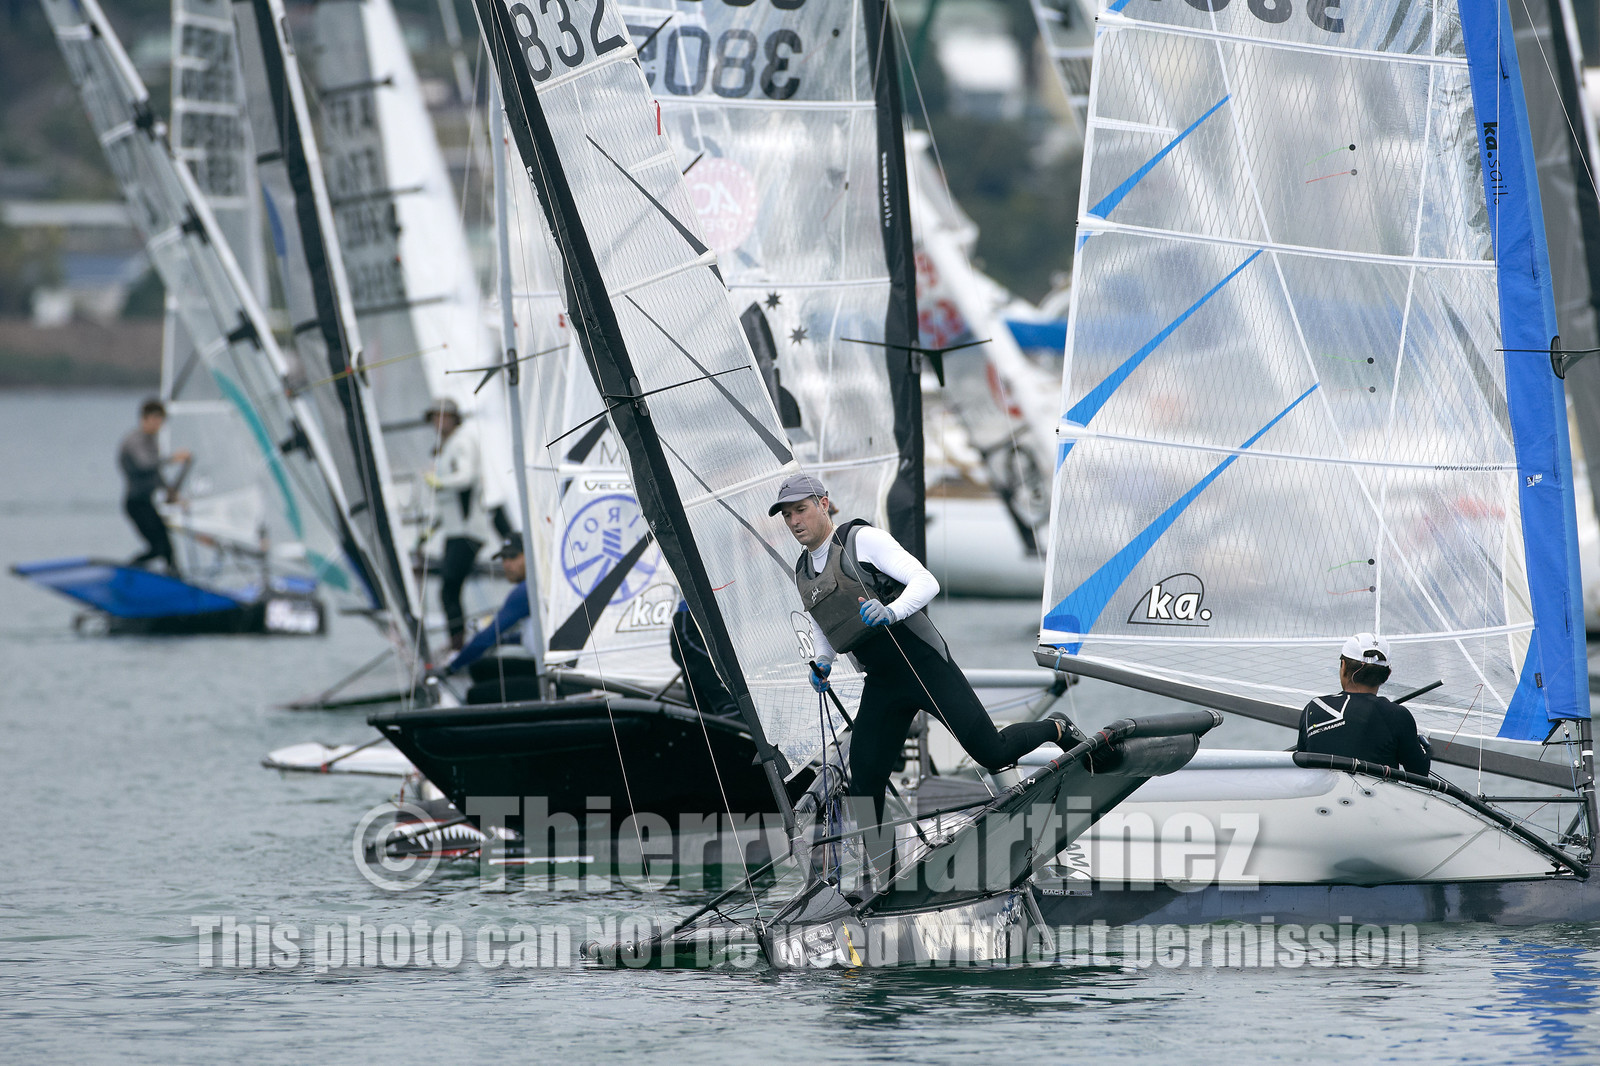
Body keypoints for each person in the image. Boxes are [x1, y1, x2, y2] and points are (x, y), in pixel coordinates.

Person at [774, 473, 1071, 825]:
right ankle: (883, 876)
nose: (794, 521)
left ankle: (1057, 727)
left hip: (925, 666)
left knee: (993, 752)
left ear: (823, 504)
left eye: (801, 510)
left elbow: (927, 582)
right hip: (882, 682)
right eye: (787, 515)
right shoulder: (803, 570)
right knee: (865, 787)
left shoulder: (862, 540)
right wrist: (822, 662)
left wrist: (891, 611)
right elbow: (826, 623)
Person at [1297, 633, 1431, 775]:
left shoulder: (1313, 707)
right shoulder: (1398, 715)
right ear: (1387, 674)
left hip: (1323, 796)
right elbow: (1420, 771)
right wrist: (1424, 744)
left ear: (1343, 666)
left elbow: (1302, 762)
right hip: (1374, 796)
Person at [423, 398, 498, 651]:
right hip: (454, 532)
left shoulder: (463, 441)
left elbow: (466, 477)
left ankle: (458, 646)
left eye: (444, 416)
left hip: (468, 531)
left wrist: (440, 482)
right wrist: (429, 529)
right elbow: (447, 502)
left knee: (448, 589)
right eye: (435, 417)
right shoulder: (444, 447)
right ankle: (457, 643)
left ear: (455, 419)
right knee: (449, 591)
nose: (438, 421)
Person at [438, 534, 542, 704]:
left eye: (513, 557)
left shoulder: (526, 590)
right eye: (503, 559)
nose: (506, 565)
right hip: (548, 669)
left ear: (530, 555)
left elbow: (489, 636)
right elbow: (533, 633)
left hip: (554, 678)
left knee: (475, 695)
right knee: (480, 668)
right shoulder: (536, 585)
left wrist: (452, 667)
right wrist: (505, 640)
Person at [117, 398, 190, 575]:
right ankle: (125, 573)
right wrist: (172, 459)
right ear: (145, 418)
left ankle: (176, 583)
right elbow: (145, 464)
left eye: (161, 421)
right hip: (136, 504)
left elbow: (155, 476)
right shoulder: (135, 440)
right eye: (156, 420)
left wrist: (171, 493)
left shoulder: (151, 441)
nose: (159, 425)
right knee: (158, 548)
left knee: (168, 549)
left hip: (146, 503)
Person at [669, 599, 739, 718]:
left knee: (701, 666)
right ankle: (721, 713)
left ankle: (724, 710)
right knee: (700, 665)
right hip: (694, 615)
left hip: (709, 613)